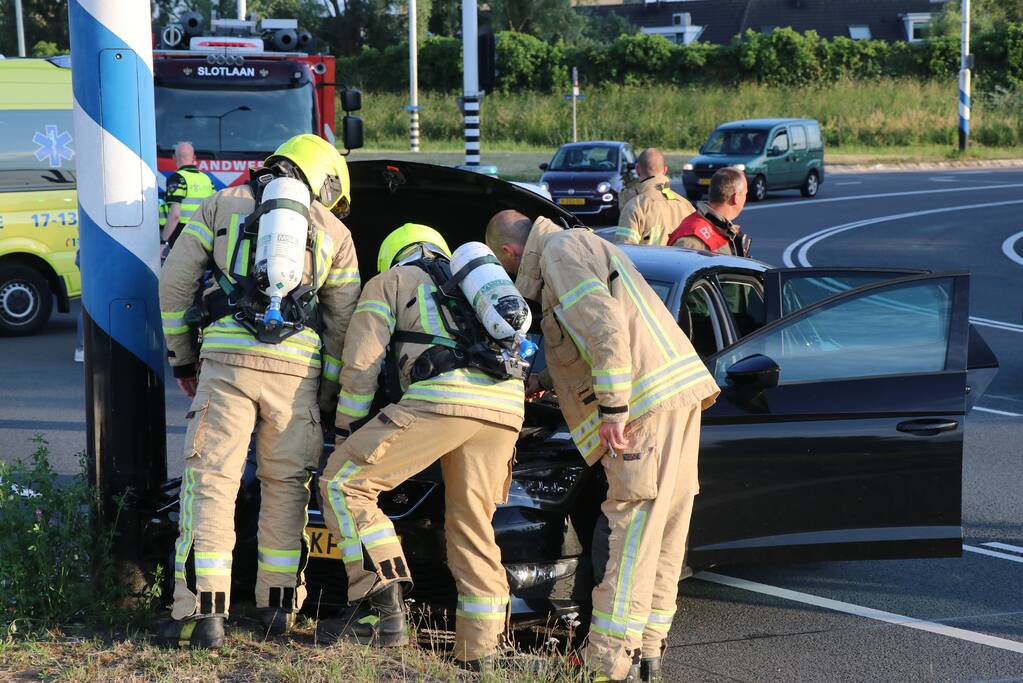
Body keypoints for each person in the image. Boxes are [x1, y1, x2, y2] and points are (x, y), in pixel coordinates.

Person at [485, 210, 719, 683]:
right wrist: (544, 379)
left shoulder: (559, 254)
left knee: (627, 539)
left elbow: (605, 327)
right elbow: (589, 337)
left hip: (642, 411)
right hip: (675, 398)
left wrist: (612, 408)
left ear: (510, 253)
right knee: (662, 536)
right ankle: (648, 653)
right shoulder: (582, 244)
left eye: (503, 270)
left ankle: (606, 667)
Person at [157, 134, 361, 648]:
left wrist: (182, 355)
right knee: (286, 490)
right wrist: (327, 390)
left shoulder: (220, 204)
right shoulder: (335, 231)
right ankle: (277, 611)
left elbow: (175, 284)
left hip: (226, 363)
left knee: (212, 484)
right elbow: (342, 325)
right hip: (297, 378)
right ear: (325, 180)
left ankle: (203, 616)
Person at [315, 224, 525, 671]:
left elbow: (361, 363)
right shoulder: (472, 290)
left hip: (443, 399)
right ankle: (481, 651)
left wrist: (348, 430)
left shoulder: (390, 281)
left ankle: (380, 610)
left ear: (393, 256)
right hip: (507, 406)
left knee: (342, 483)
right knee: (472, 524)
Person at [614, 148, 694, 246]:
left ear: (638, 170)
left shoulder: (635, 206)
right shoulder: (686, 205)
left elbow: (625, 250)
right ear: (665, 170)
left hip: (646, 261)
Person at [668, 167, 751, 257]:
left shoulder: (723, 228)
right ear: (736, 198)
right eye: (745, 194)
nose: (745, 198)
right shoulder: (693, 239)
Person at [161, 141, 215, 248]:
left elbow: (175, 215)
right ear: (194, 158)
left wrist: (163, 242)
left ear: (174, 157)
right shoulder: (207, 179)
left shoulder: (177, 179)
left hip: (182, 236)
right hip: (204, 236)